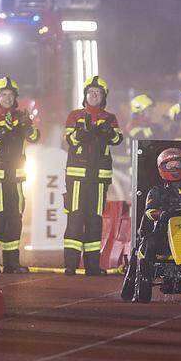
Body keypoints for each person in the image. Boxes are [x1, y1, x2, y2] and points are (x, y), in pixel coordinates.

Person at [122, 147, 181, 300]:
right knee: (147, 242)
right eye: (170, 166)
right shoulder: (156, 191)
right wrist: (161, 213)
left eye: (177, 164)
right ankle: (138, 284)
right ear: (162, 168)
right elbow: (149, 212)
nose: (174, 169)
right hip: (164, 235)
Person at [63, 76, 123, 275]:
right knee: (75, 218)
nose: (93, 95)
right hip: (77, 176)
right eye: (91, 92)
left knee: (94, 220)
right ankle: (70, 265)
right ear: (85, 95)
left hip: (99, 178)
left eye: (97, 93)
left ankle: (92, 266)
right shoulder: (75, 116)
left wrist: (107, 132)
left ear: (103, 96)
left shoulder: (110, 118)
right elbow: (69, 140)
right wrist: (82, 133)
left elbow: (117, 139)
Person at [0, 76, 40, 274]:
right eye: (3, 95)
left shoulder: (21, 116)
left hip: (16, 177)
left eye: (10, 95)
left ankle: (12, 263)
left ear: (15, 97)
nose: (7, 98)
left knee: (15, 219)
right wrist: (4, 127)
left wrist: (27, 125)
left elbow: (35, 137)